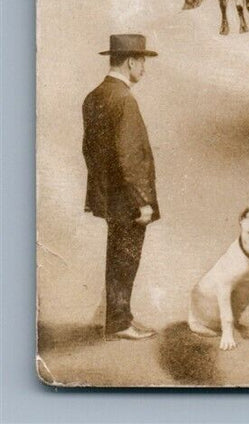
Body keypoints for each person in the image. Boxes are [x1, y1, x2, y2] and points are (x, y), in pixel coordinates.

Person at [81, 34, 161, 341]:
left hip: (108, 195)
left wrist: (103, 188)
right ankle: (119, 322)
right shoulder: (125, 99)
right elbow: (128, 155)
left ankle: (120, 317)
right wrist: (143, 201)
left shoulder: (94, 96)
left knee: (117, 255)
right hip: (128, 198)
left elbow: (89, 150)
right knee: (126, 257)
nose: (144, 69)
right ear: (131, 62)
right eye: (142, 63)